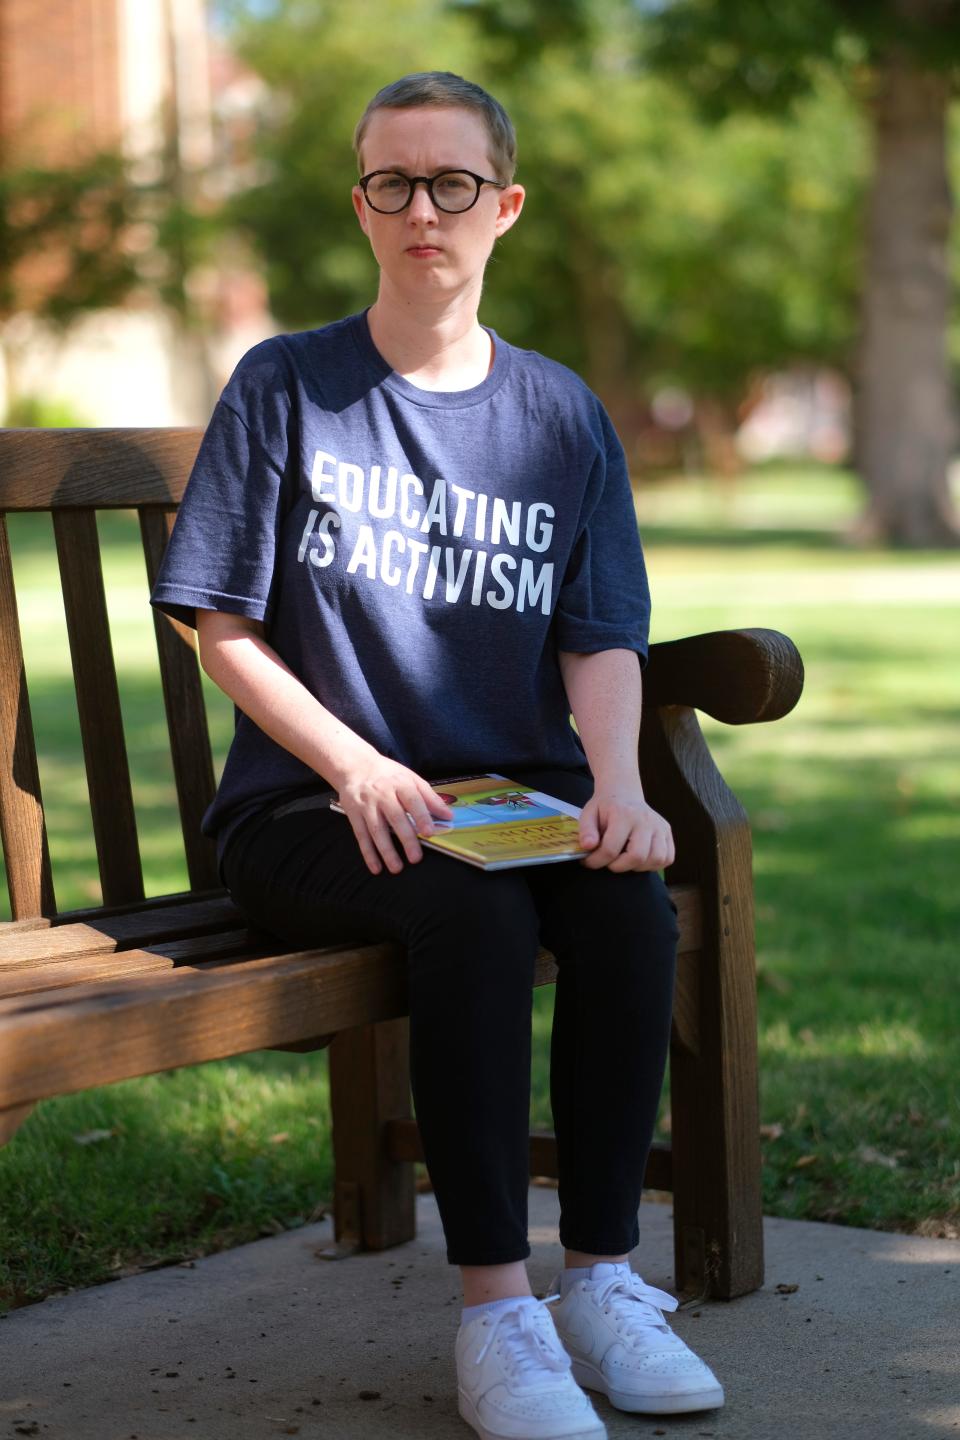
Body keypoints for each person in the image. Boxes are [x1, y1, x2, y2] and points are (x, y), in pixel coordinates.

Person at [150, 70, 725, 1440]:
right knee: (464, 907)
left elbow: (598, 636)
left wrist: (627, 793)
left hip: (504, 803)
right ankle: (495, 1316)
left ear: (504, 205)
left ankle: (599, 1281)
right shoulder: (289, 385)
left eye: (453, 183)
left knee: (621, 904)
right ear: (362, 206)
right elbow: (216, 623)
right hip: (307, 811)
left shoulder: (560, 417)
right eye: (394, 183)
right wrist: (353, 763)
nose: (424, 210)